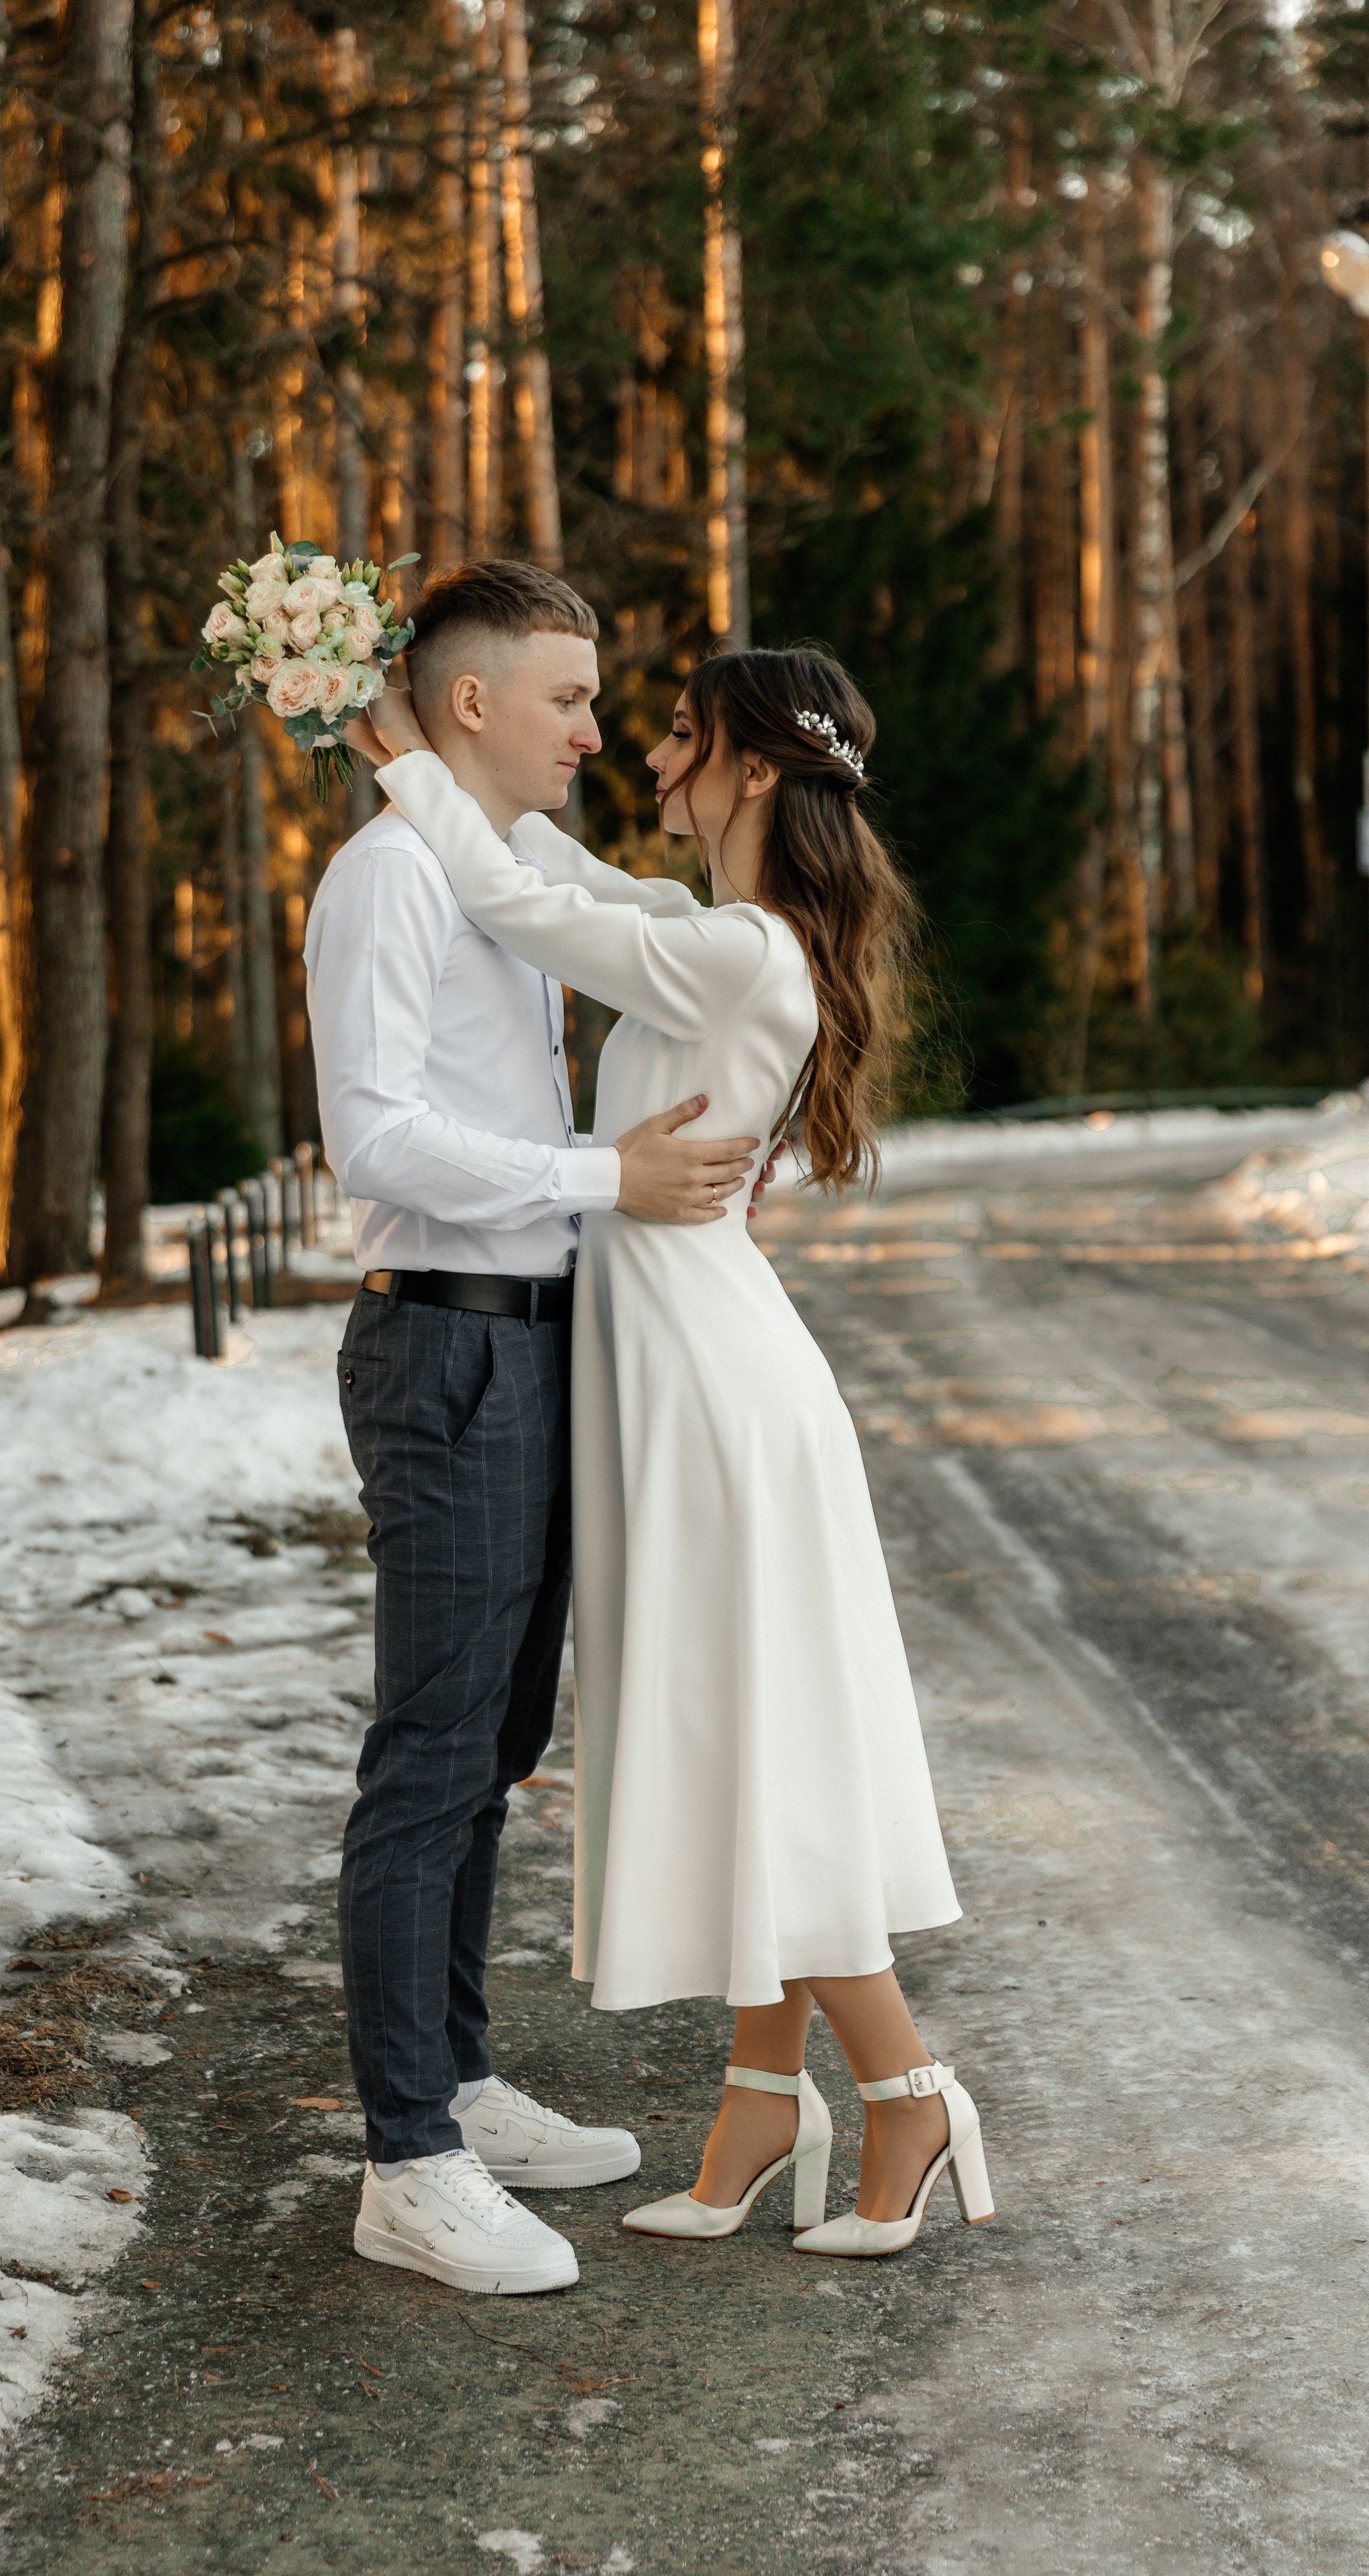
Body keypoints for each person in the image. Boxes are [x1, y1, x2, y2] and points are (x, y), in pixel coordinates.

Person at [347, 643, 995, 2261]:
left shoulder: (742, 952)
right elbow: (552, 870)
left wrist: (395, 757)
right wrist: (424, 736)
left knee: (756, 1737)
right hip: (676, 1368)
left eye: (682, 735)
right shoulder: (701, 931)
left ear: (755, 768)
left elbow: (517, 902)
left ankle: (907, 2090)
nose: (643, 754)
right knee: (741, 1731)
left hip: (711, 1389)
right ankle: (759, 2103)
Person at [305, 560, 761, 2296]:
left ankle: (459, 2084)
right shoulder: (389, 877)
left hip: (535, 1345)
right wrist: (602, 1175)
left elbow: (660, 927)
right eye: (568, 699)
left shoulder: (506, 872)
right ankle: (404, 2163)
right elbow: (373, 1138)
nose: (592, 730)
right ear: (471, 702)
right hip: (444, 1345)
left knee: (495, 1743)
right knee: (430, 1755)